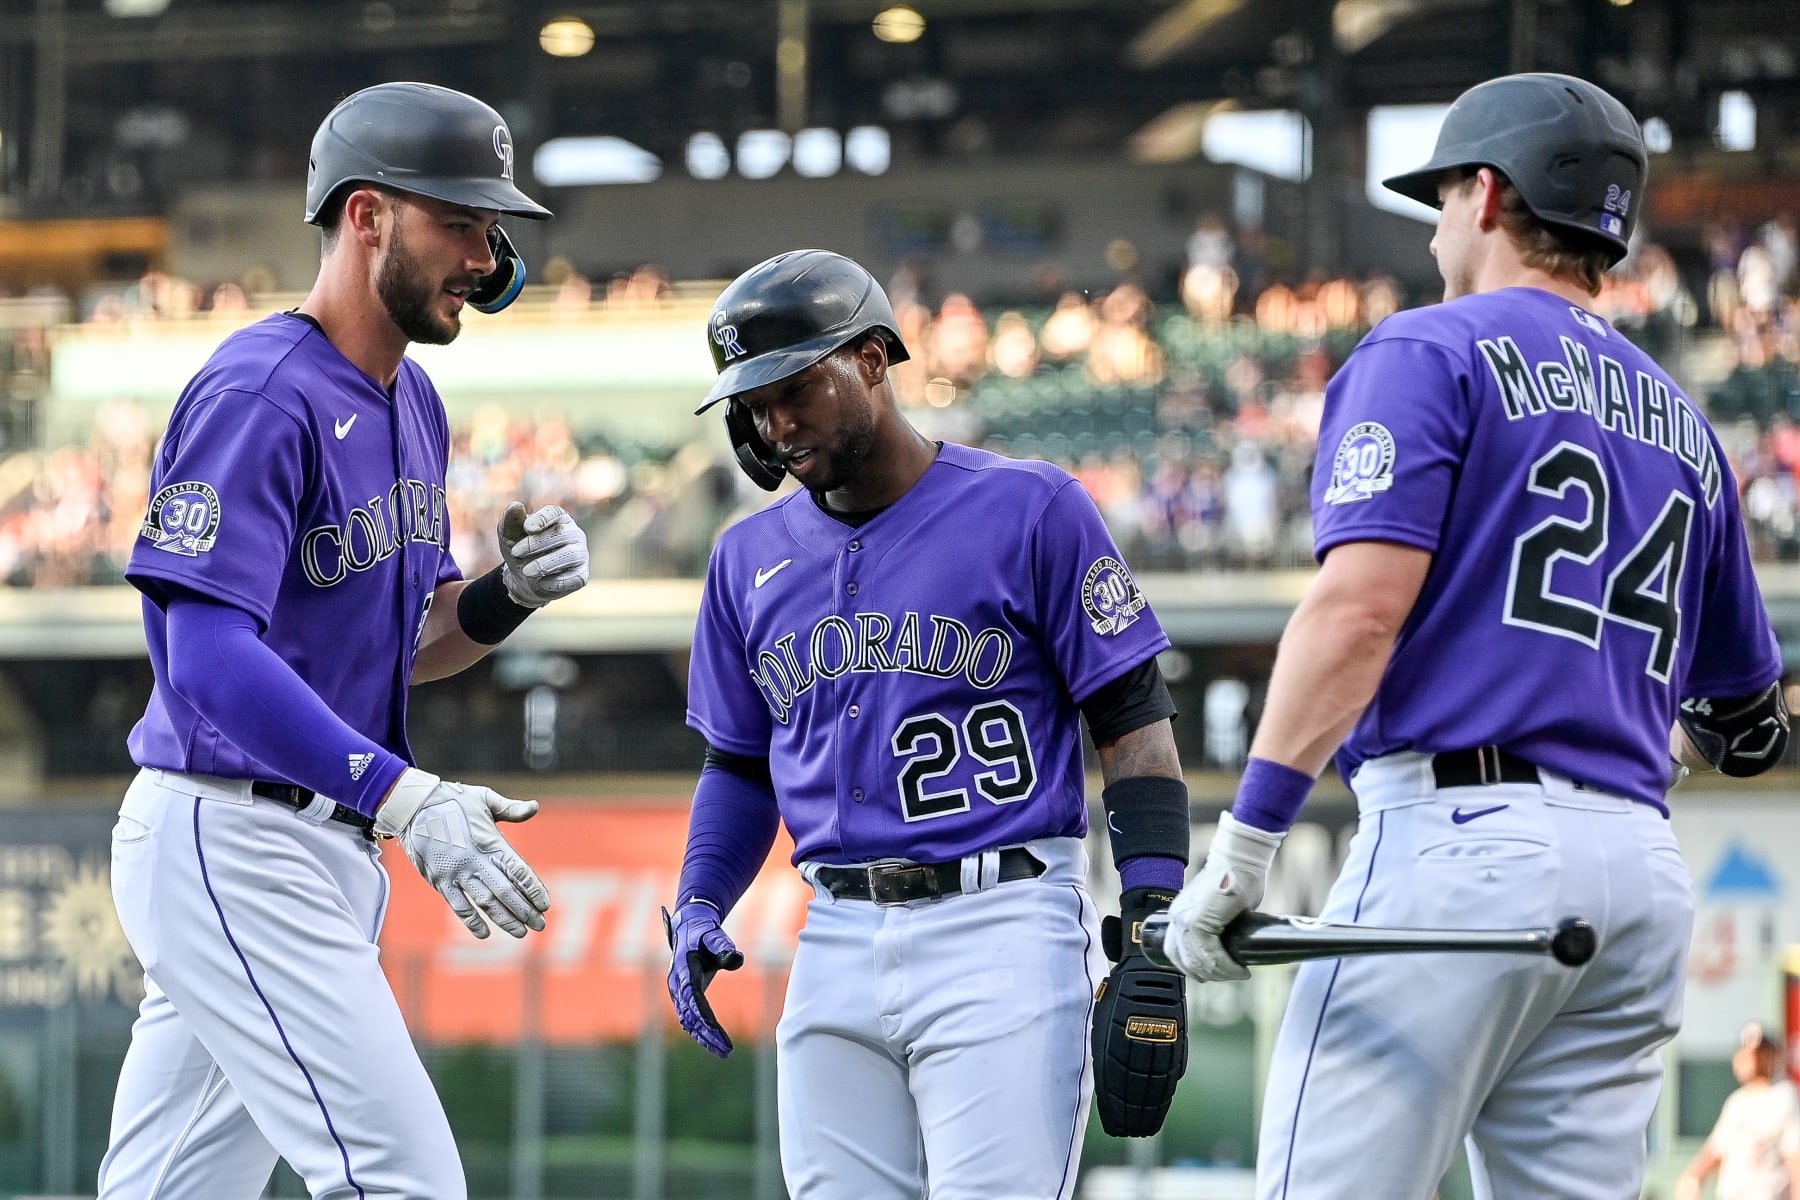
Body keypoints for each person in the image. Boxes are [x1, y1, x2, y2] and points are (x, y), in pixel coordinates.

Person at [1160, 72, 1790, 1200]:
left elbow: (1357, 615)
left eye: (1443, 195)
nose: (1439, 222)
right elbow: (1748, 719)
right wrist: (1610, 786)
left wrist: (1246, 848)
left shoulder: (1426, 351)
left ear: (1489, 193)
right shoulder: (1690, 425)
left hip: (1460, 841)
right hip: (1639, 874)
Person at [98, 82, 590, 1200]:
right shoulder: (260, 391)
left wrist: (507, 596)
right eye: (458, 221)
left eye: (491, 227)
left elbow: (405, 639)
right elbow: (206, 656)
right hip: (236, 833)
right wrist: (407, 797)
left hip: (310, 844)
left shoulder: (412, 400)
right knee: (401, 1182)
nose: (486, 252)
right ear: (366, 215)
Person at [664, 249, 1194, 1199]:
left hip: (1006, 922)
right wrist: (702, 898)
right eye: (753, 402)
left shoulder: (1032, 507)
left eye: (795, 388)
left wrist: (1152, 917)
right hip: (831, 932)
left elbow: (1133, 724)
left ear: (873, 359)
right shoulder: (744, 559)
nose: (776, 422)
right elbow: (739, 766)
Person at [1677, 1023, 1800, 1200]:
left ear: (1771, 1055)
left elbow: (1796, 1162)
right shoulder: (1736, 1102)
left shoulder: (1785, 1096)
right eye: (1747, 1053)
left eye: (1758, 1053)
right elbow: (1713, 1152)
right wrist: (1692, 1178)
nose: (1752, 1059)